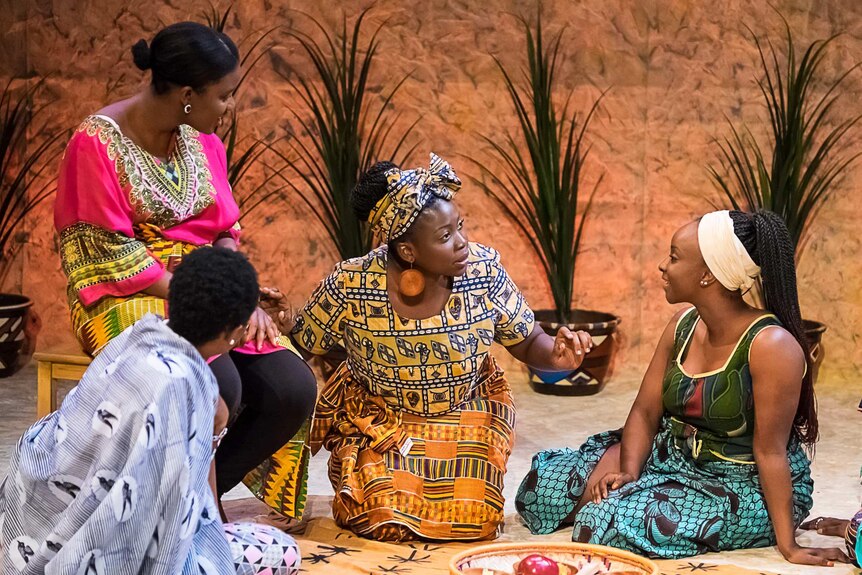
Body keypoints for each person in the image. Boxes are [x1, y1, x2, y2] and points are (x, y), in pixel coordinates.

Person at [53, 22, 316, 516]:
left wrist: (237, 293)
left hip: (207, 281)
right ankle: (167, 508)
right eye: (225, 96)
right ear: (188, 94)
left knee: (291, 388)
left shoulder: (200, 138)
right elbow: (104, 251)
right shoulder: (97, 144)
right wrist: (210, 296)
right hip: (124, 290)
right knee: (219, 384)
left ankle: (193, 504)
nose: (231, 107)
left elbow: (223, 230)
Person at [260, 153, 593, 542]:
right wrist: (283, 322)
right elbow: (304, 342)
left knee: (474, 519)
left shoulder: (484, 272)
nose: (462, 243)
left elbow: (528, 340)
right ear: (407, 251)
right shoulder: (351, 283)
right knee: (381, 517)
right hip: (381, 420)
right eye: (445, 237)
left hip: (468, 411)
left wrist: (556, 354)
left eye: (460, 227)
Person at [515, 210, 851, 567]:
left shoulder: (771, 346)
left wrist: (789, 546)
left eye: (674, 257)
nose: (663, 266)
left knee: (603, 521)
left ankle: (660, 505)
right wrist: (629, 473)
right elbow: (645, 412)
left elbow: (770, 452)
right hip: (672, 458)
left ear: (707, 276)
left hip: (741, 485)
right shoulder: (683, 325)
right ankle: (643, 491)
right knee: (542, 489)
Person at [0, 247, 301, 575]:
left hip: (29, 521)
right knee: (282, 551)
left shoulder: (136, 334)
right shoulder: (188, 387)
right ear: (235, 330)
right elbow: (170, 516)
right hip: (93, 554)